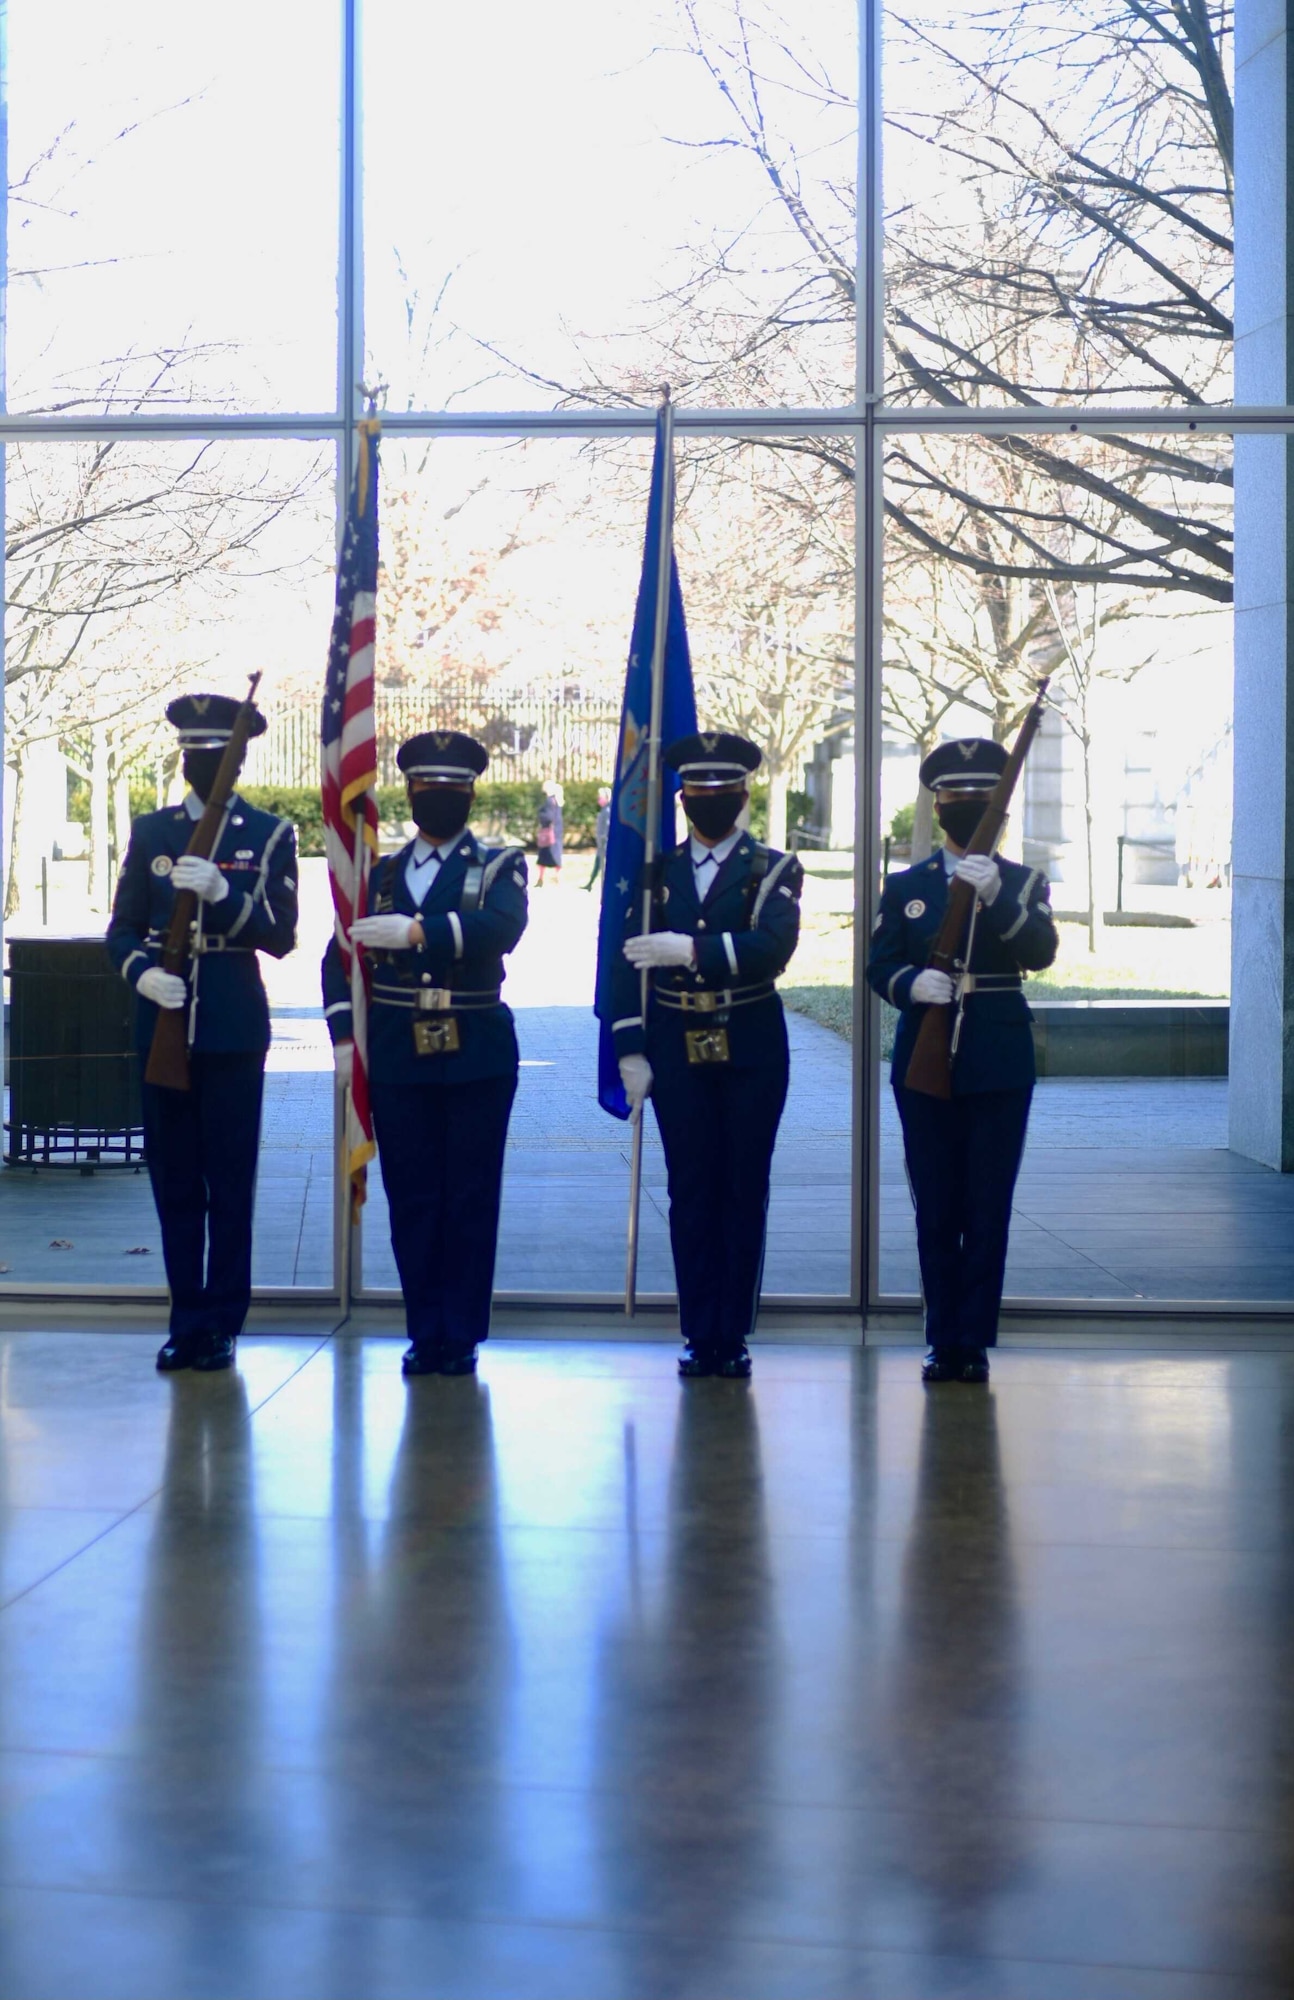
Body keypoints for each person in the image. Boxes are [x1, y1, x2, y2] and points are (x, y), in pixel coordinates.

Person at [323, 730, 528, 1377]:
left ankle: (460, 1332)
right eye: (428, 790)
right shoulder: (377, 874)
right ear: (408, 793)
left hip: (475, 1053)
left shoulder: (498, 866)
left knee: (469, 1195)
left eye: (452, 791)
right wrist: (341, 1038)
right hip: (396, 1053)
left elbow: (502, 928)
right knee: (411, 1194)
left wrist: (417, 932)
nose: (439, 800)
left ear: (470, 796)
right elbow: (339, 959)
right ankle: (424, 1329)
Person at [106, 692, 298, 1373]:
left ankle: (222, 1321)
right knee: (176, 1182)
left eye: (213, 755)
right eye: (193, 753)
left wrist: (226, 894)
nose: (202, 764)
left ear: (235, 761)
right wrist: (142, 975)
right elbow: (122, 928)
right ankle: (185, 1318)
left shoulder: (268, 833)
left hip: (231, 1025)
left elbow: (281, 936)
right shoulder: (153, 831)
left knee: (229, 1180)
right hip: (162, 1021)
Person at [610, 731, 803, 1378]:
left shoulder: (772, 868)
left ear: (743, 796)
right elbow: (623, 963)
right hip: (676, 1045)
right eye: (698, 793)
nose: (709, 803)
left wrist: (692, 951)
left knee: (743, 1187)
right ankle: (699, 1331)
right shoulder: (654, 872)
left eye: (722, 792)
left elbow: (771, 947)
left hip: (749, 1042)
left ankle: (734, 1332)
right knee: (691, 1190)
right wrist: (630, 1047)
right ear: (682, 797)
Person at [867, 737, 1058, 1384]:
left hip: (998, 1056)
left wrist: (998, 893)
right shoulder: (908, 886)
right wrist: (909, 985)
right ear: (938, 803)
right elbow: (879, 963)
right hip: (927, 1051)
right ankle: (940, 1333)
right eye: (955, 799)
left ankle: (972, 1340)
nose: (965, 809)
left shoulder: (1026, 882)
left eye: (980, 799)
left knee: (987, 1204)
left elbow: (1039, 953)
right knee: (937, 1204)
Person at [535, 779, 563, 888]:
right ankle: (557, 877)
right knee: (556, 855)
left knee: (544, 854)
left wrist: (540, 816)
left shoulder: (549, 801)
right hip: (556, 832)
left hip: (549, 833)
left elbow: (548, 816)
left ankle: (541, 879)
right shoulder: (557, 800)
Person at [585, 784, 612, 891]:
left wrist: (603, 838)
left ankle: (596, 884)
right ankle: (590, 883)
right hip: (601, 842)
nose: (598, 799)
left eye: (600, 797)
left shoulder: (607, 810)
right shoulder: (604, 810)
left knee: (603, 864)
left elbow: (607, 826)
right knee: (598, 863)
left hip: (604, 842)